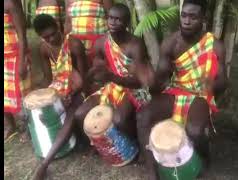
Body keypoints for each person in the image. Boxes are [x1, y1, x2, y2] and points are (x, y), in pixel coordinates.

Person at [136, 0, 227, 179]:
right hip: (177, 90)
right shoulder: (170, 43)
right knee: (143, 116)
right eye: (184, 15)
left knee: (194, 131)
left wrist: (212, 85)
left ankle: (201, 162)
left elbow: (224, 82)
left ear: (203, 19)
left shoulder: (215, 46)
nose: (186, 21)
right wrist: (150, 81)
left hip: (201, 94)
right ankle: (152, 171)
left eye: (192, 17)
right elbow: (160, 84)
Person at [73, 3, 152, 144]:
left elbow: (139, 81)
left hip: (133, 89)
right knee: (80, 114)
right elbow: (96, 72)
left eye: (118, 19)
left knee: (119, 120)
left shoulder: (135, 45)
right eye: (110, 18)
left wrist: (111, 76)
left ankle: (135, 144)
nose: (112, 22)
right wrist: (92, 80)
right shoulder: (101, 43)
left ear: (127, 23)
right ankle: (100, 146)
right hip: (112, 86)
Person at [32, 14, 88, 180]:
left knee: (72, 112)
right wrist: (46, 96)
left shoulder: (73, 44)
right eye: (45, 37)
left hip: (78, 89)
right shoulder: (44, 48)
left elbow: (83, 81)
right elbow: (49, 79)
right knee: (35, 109)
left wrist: (69, 95)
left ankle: (45, 163)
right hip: (59, 89)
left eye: (52, 34)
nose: (50, 39)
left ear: (58, 26)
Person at [4, 0, 32, 142]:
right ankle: (10, 125)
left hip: (14, 57)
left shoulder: (11, 4)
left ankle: (29, 127)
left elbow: (22, 35)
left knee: (23, 94)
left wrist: (22, 61)